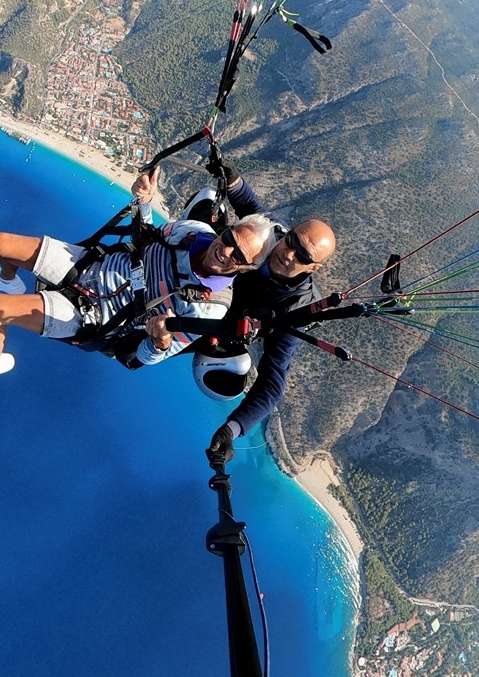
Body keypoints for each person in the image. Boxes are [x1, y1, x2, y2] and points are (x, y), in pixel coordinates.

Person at [132, 163, 337, 462]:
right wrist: (234, 179)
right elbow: (252, 208)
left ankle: (131, 339)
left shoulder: (298, 309)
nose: (288, 253)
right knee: (209, 201)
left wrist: (233, 429)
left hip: (214, 321)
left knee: (146, 347)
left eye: (302, 256)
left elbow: (272, 382)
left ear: (313, 267)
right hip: (212, 276)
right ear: (289, 233)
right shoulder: (277, 236)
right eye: (291, 241)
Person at [0, 194, 279, 381]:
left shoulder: (210, 308)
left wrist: (159, 340)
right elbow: (150, 233)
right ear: (227, 230)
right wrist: (145, 202)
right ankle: (8, 279)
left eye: (238, 255)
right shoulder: (194, 232)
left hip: (94, 314)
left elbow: (142, 358)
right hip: (91, 265)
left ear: (246, 267)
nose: (225, 251)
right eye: (230, 238)